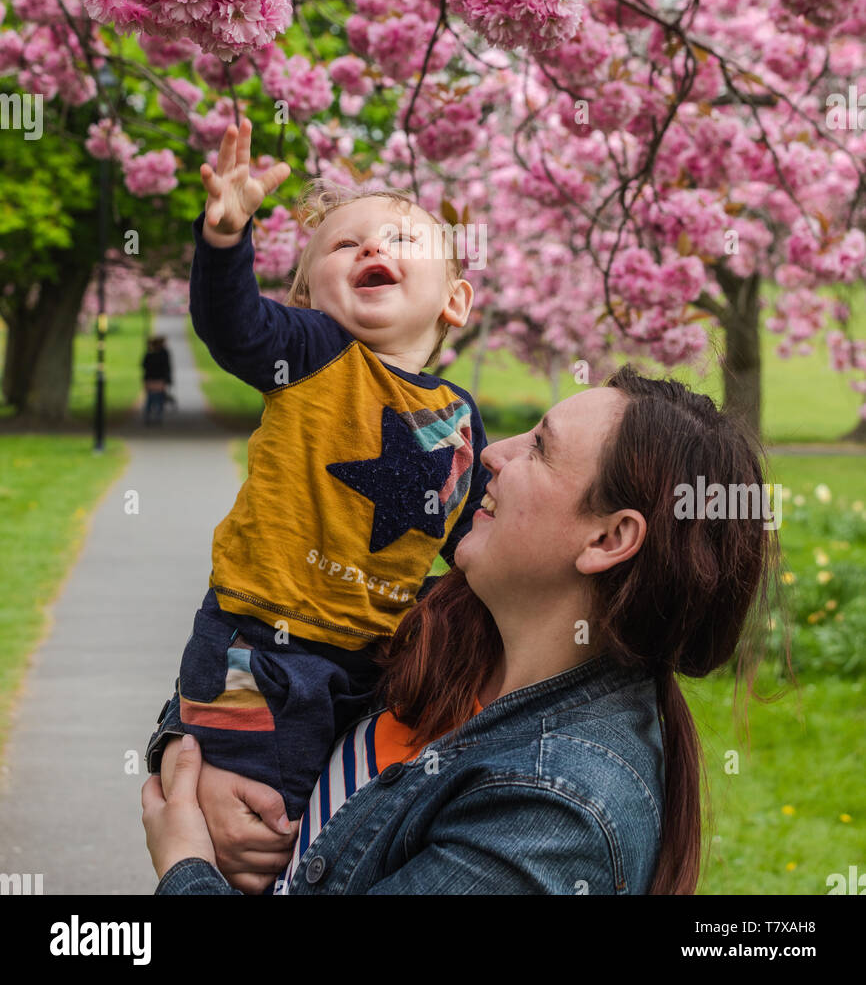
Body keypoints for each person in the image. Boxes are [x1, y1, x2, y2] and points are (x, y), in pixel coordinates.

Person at [143, 367, 781, 895]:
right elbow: (266, 635)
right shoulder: (440, 623)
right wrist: (197, 756)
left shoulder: (551, 813)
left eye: (539, 448)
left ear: (609, 538)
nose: (491, 453)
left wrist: (185, 865)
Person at [169, 117, 489, 826]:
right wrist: (225, 237)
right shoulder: (314, 352)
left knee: (345, 824)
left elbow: (481, 538)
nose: (373, 246)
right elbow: (234, 326)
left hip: (378, 661)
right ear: (308, 299)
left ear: (455, 301)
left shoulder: (458, 417)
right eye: (345, 245)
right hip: (258, 650)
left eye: (403, 240)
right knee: (259, 822)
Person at [141, 335, 173, 425]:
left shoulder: (148, 355)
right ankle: (158, 417)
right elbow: (167, 368)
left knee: (150, 399)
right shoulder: (163, 355)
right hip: (159, 380)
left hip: (150, 380)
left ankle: (148, 416)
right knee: (159, 399)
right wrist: (168, 379)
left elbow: (143, 365)